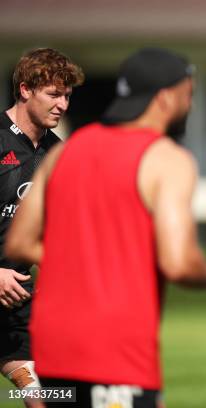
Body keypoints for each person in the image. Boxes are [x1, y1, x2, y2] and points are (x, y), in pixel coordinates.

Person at [5, 48, 206, 407]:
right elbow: (179, 263)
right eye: (189, 95)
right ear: (166, 97)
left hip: (53, 344)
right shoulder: (168, 159)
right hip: (114, 349)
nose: (191, 106)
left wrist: (88, 261)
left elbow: (20, 241)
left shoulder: (62, 153)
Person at [0, 48, 84, 403]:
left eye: (66, 96)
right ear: (24, 90)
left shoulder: (59, 154)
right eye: (53, 94)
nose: (62, 105)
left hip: (14, 298)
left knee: (51, 396)